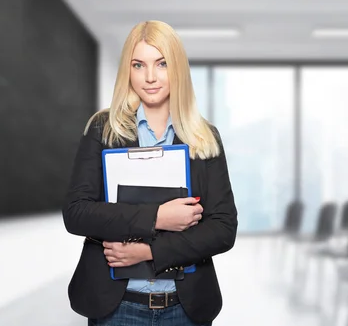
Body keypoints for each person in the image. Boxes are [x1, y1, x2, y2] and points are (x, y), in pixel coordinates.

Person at [63, 20, 238, 326]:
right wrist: (157, 217)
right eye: (138, 65)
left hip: (184, 308)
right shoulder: (103, 130)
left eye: (161, 64)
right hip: (117, 308)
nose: (150, 77)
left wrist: (149, 251)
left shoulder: (204, 137)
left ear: (177, 69)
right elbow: (77, 213)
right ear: (127, 71)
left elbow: (223, 229)